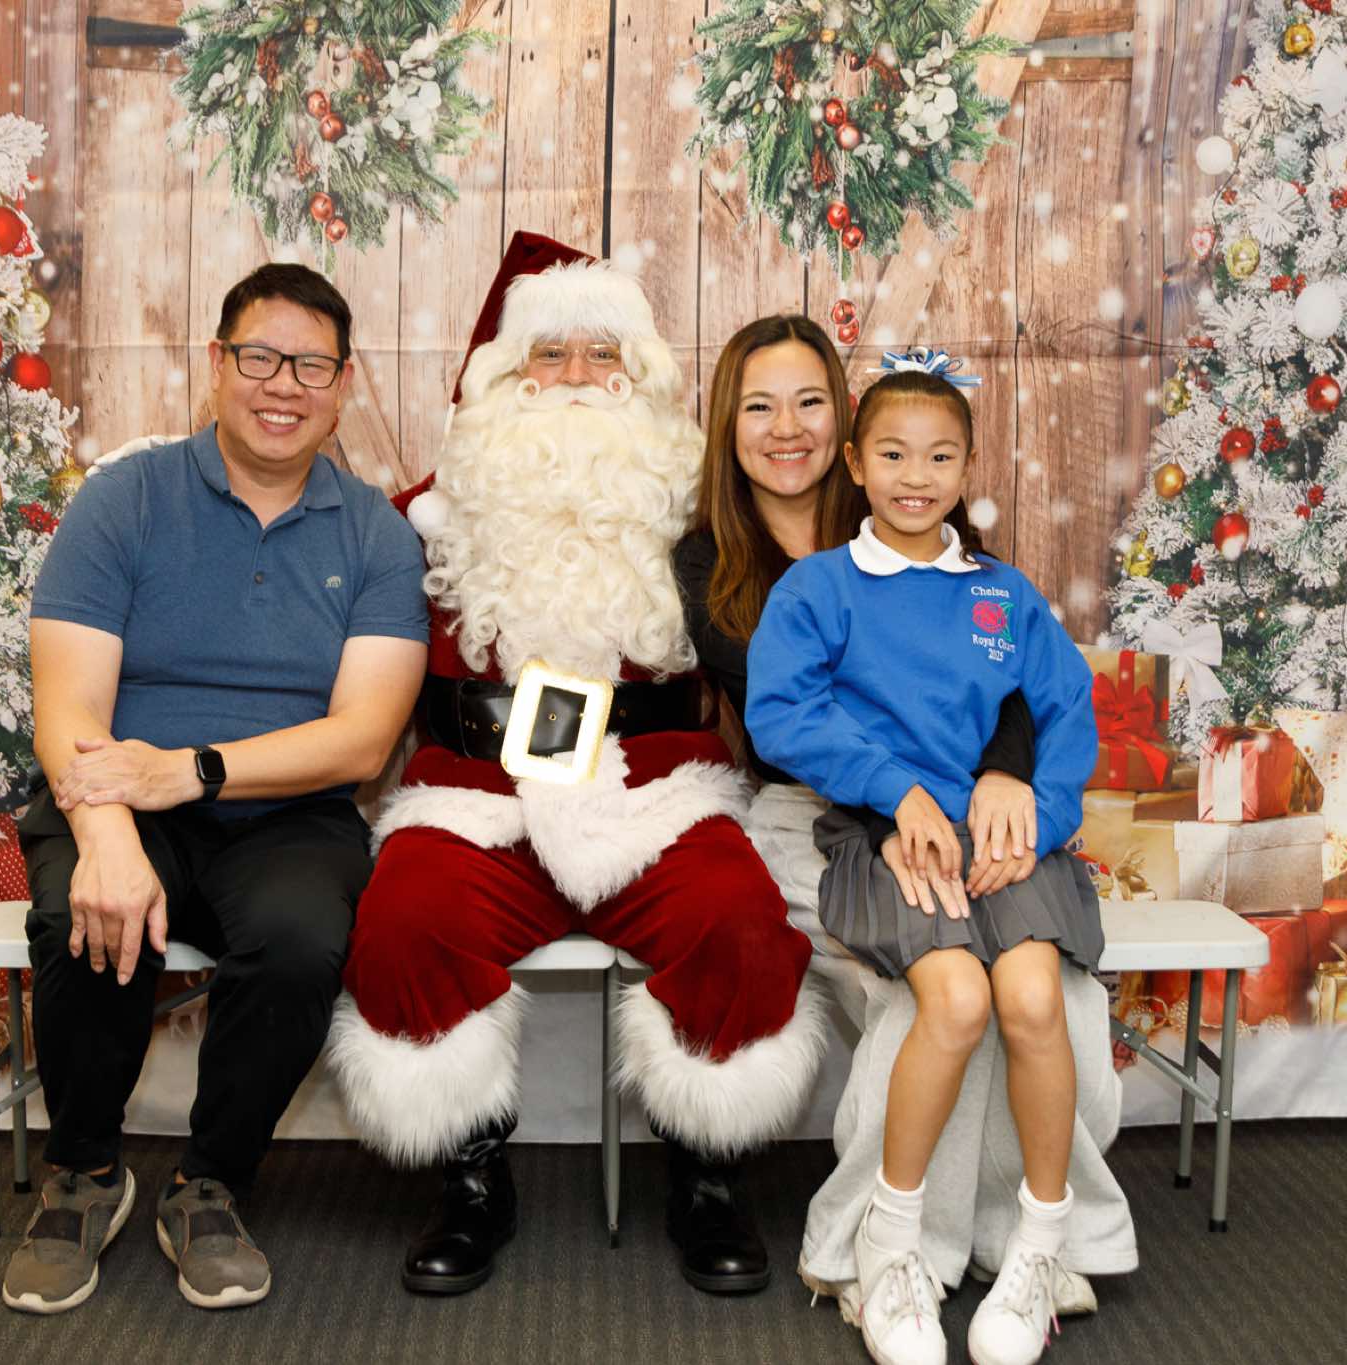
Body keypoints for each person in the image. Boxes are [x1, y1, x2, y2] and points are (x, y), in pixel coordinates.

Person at [330, 233, 825, 1298]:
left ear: (637, 376)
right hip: (477, 797)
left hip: (657, 790)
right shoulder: (424, 516)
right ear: (502, 378)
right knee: (407, 916)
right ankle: (470, 1174)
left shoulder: (693, 508)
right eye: (547, 356)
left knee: (738, 917)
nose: (574, 379)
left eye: (603, 356)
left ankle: (707, 1169)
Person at [679, 321, 1133, 1359]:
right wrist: (895, 802)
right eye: (892, 455)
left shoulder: (998, 590)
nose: (914, 477)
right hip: (860, 826)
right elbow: (791, 718)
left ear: (967, 469)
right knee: (948, 999)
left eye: (938, 459)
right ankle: (886, 1249)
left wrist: (1033, 809)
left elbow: (1054, 705)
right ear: (859, 461)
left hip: (995, 836)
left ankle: (1036, 1243)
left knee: (1043, 1000)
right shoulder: (799, 584)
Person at [2, 264, 429, 1315]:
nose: (283, 385)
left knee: (298, 940)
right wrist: (109, 837)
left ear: (342, 385)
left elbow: (362, 739)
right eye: (260, 357)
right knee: (84, 913)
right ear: (216, 364)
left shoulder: (375, 534)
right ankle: (83, 1173)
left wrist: (190, 768)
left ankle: (209, 1184)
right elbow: (67, 707)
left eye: (311, 366)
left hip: (289, 816)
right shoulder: (125, 499)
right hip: (116, 796)